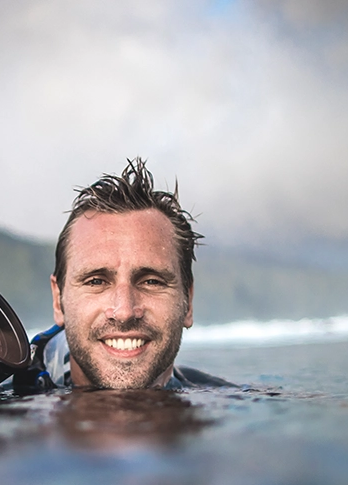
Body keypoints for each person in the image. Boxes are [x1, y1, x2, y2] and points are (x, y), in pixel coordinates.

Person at [13, 158, 229, 391]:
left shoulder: (236, 408)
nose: (124, 312)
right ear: (58, 301)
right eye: (96, 281)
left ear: (188, 302)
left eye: (151, 281)